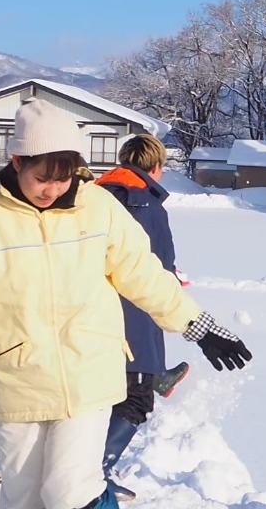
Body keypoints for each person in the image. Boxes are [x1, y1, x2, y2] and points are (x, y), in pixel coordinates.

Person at [0, 98, 252, 509]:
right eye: (42, 177)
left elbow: (143, 274)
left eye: (63, 178)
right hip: (17, 378)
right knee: (24, 496)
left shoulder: (99, 208)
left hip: (88, 371)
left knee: (69, 492)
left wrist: (198, 325)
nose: (52, 189)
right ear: (18, 162)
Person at [94, 134, 190, 500]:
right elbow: (158, 267)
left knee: (98, 396)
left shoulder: (94, 196)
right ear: (156, 167)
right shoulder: (145, 203)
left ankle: (158, 376)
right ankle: (95, 474)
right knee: (134, 400)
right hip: (131, 313)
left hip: (89, 311)